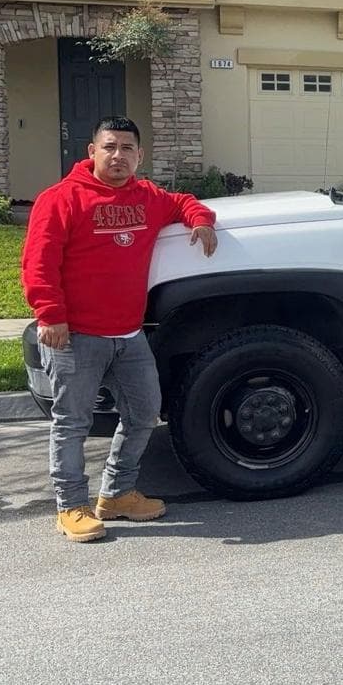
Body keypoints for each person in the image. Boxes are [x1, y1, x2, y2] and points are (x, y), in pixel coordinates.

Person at [21, 116, 218, 543]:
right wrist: (50, 315)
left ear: (139, 156)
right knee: (72, 422)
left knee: (145, 412)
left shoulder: (147, 197)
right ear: (92, 152)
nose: (118, 156)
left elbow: (183, 201)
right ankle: (71, 505)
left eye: (127, 148)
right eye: (109, 147)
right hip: (74, 337)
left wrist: (201, 219)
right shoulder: (60, 199)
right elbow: (38, 264)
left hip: (129, 336)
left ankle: (117, 493)